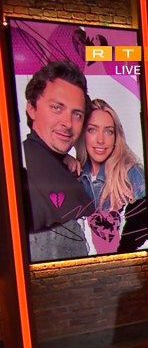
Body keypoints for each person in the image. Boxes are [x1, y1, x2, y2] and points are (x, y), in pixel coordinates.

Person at [22, 59, 95, 262]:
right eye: (56, 107)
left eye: (77, 114)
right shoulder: (18, 174)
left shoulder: (69, 168)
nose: (67, 123)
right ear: (31, 108)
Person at [75, 99, 148, 254]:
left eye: (109, 131)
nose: (101, 140)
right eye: (92, 130)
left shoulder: (132, 174)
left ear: (116, 137)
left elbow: (145, 232)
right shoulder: (75, 175)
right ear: (82, 133)